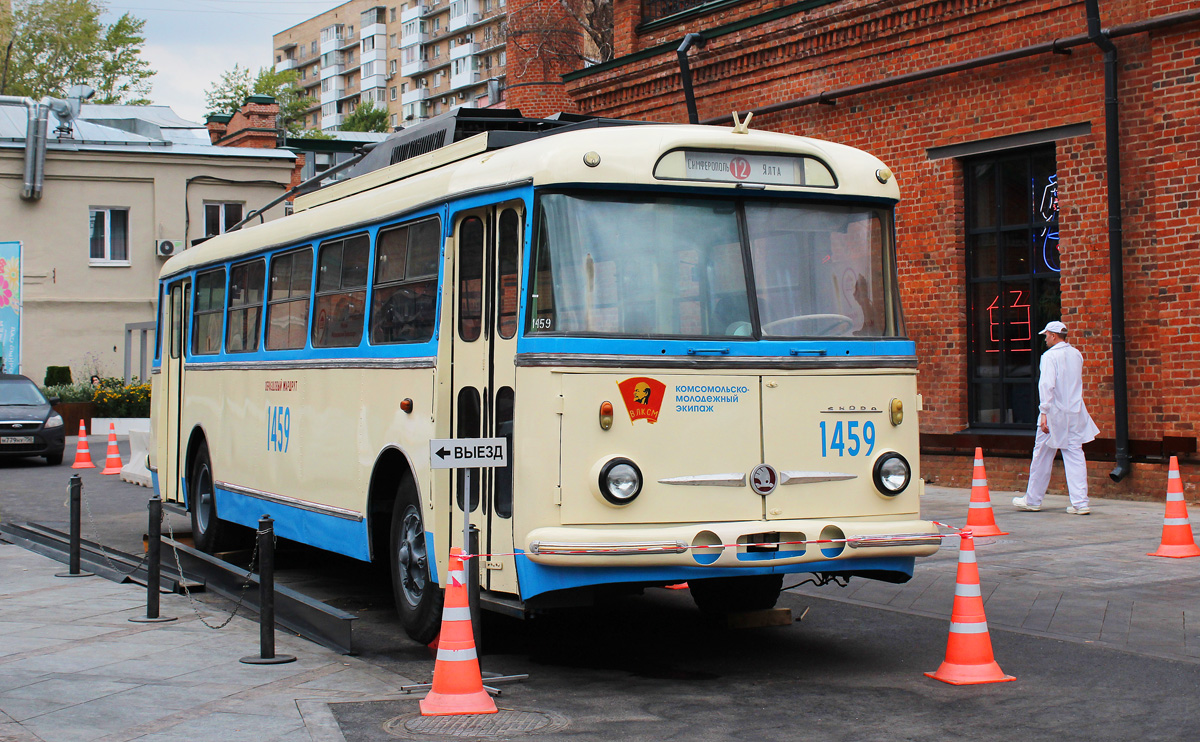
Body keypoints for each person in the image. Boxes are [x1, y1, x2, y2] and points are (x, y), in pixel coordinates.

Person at [1013, 320, 1100, 515]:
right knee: (1075, 454)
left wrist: (1044, 412)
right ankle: (1080, 502)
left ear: (1053, 335)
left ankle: (1033, 499)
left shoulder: (1050, 357)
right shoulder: (1076, 354)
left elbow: (1047, 385)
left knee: (1042, 455)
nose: (1045, 339)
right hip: (1075, 411)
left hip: (1055, 412)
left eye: (1046, 336)